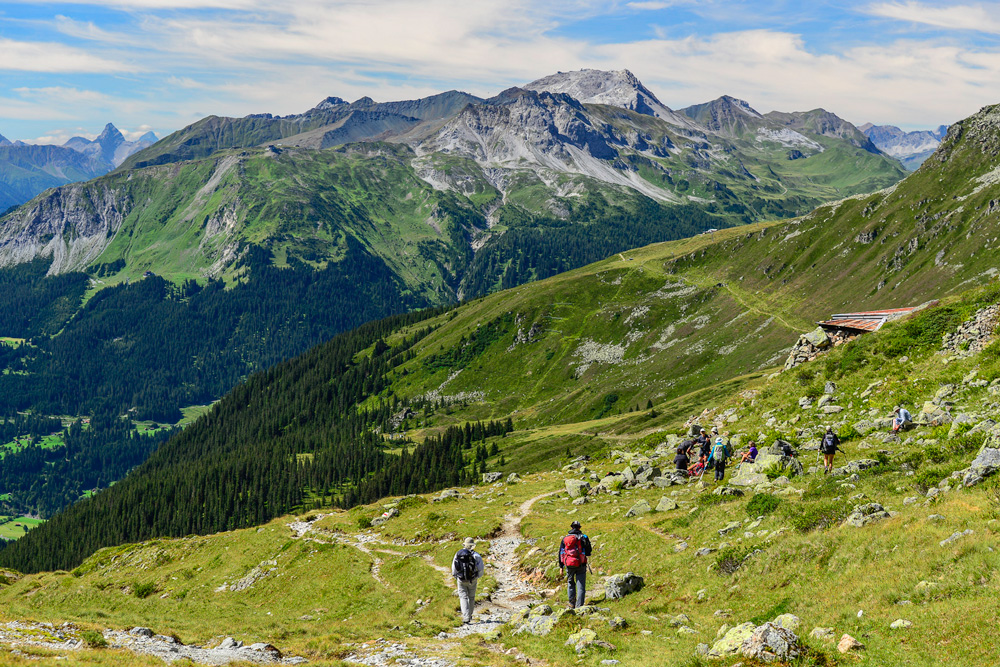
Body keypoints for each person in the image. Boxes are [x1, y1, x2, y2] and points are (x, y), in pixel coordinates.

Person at [558, 521, 592, 609]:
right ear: (579, 528)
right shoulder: (584, 537)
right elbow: (588, 552)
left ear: (572, 527)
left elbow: (561, 552)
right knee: (580, 585)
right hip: (581, 564)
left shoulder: (565, 538)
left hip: (569, 564)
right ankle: (579, 606)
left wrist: (561, 566)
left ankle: (571, 603)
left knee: (570, 582)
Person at [452, 537, 485, 624]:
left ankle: (466, 616)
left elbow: (454, 566)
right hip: (473, 579)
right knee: (471, 597)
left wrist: (455, 576)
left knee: (463, 597)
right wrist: (478, 576)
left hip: (461, 579)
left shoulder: (458, 554)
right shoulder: (476, 555)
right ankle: (470, 615)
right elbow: (481, 568)